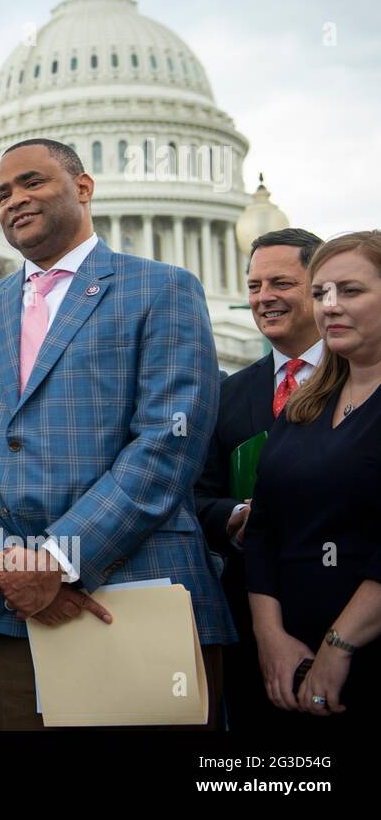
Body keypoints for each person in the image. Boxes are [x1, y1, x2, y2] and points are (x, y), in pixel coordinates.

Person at [0, 138, 234, 730]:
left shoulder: (162, 289)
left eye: (33, 183)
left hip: (135, 592)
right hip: (10, 608)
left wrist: (58, 557)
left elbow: (168, 445)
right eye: (2, 193)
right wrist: (6, 567)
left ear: (84, 188)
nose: (15, 200)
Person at [245, 230, 381, 726]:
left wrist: (338, 645)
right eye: (321, 292)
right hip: (286, 667)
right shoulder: (304, 408)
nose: (330, 306)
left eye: (351, 291)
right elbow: (263, 528)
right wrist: (270, 638)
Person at [193, 227, 323, 729]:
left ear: (319, 287)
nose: (264, 297)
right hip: (250, 630)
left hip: (345, 619)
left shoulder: (362, 381)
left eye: (281, 283)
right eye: (254, 286)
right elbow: (196, 495)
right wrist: (234, 517)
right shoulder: (229, 393)